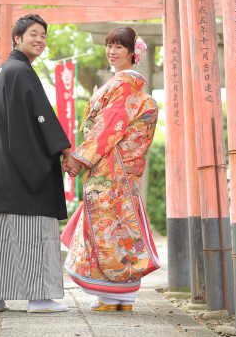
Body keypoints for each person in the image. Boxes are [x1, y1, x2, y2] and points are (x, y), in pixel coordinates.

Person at [0, 14, 75, 313]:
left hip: (2, 170)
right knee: (34, 234)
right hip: (25, 172)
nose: (39, 40)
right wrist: (65, 151)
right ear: (17, 38)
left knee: (0, 237)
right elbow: (41, 117)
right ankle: (38, 298)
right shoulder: (22, 72)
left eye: (43, 35)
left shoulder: (4, 70)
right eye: (33, 34)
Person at [62, 26, 160, 311]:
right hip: (120, 169)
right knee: (119, 229)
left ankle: (116, 296)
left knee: (108, 229)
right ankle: (118, 297)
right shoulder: (127, 86)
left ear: (132, 53)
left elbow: (108, 126)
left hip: (110, 168)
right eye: (109, 46)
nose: (112, 52)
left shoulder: (124, 85)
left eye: (119, 47)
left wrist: (79, 158)